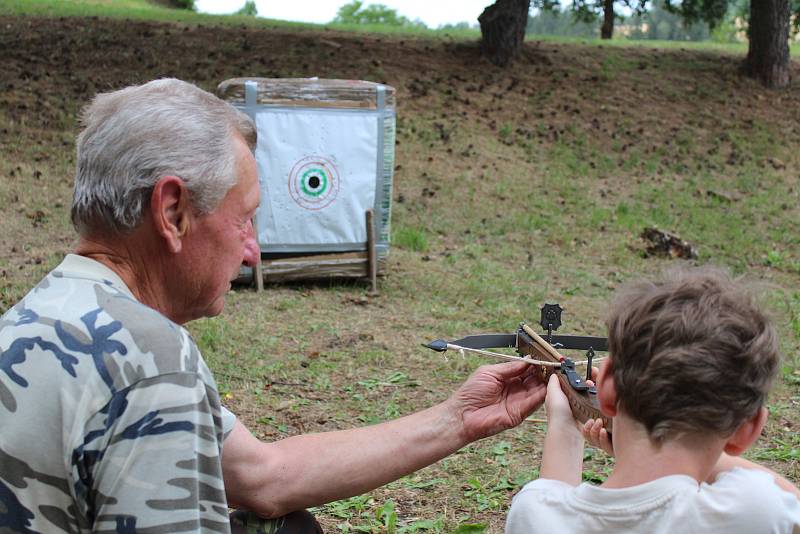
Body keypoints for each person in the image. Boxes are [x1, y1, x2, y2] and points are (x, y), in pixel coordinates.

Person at [0, 78, 548, 533]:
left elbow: (265, 477)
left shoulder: (36, 313)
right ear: (171, 212)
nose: (252, 250)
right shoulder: (152, 361)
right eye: (244, 218)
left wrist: (458, 420)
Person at [506, 267, 800, 533]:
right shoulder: (754, 512)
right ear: (747, 429)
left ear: (607, 387)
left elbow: (551, 502)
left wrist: (565, 425)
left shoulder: (532, 513)